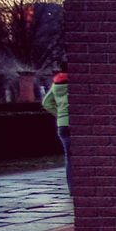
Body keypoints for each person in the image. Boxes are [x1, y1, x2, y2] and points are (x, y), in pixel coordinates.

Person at [42, 62, 72, 194]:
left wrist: (59, 114)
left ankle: (72, 188)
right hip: (75, 124)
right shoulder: (74, 83)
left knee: (69, 157)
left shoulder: (56, 84)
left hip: (62, 124)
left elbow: (46, 103)